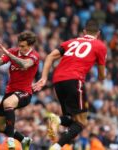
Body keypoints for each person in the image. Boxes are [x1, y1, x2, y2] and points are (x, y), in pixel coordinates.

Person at [32, 20, 107, 150]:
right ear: (98, 34)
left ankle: (58, 121)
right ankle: (56, 146)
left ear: (84, 32)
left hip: (58, 80)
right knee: (82, 122)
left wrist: (44, 78)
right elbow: (101, 76)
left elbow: (50, 56)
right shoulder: (100, 46)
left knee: (72, 119)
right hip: (75, 79)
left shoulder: (70, 42)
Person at [0, 31, 40, 149]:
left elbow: (24, 65)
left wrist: (8, 53)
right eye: (19, 45)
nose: (20, 48)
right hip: (10, 92)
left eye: (23, 46)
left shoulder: (35, 56)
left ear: (30, 46)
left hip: (25, 93)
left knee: (8, 103)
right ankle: (24, 139)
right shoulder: (13, 51)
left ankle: (10, 140)